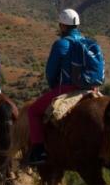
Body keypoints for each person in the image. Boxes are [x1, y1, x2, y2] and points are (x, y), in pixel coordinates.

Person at [26, 9, 87, 166]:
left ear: (62, 25)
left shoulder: (61, 44)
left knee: (32, 112)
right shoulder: (87, 42)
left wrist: (54, 88)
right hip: (89, 89)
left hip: (67, 89)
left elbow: (51, 72)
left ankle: (38, 151)